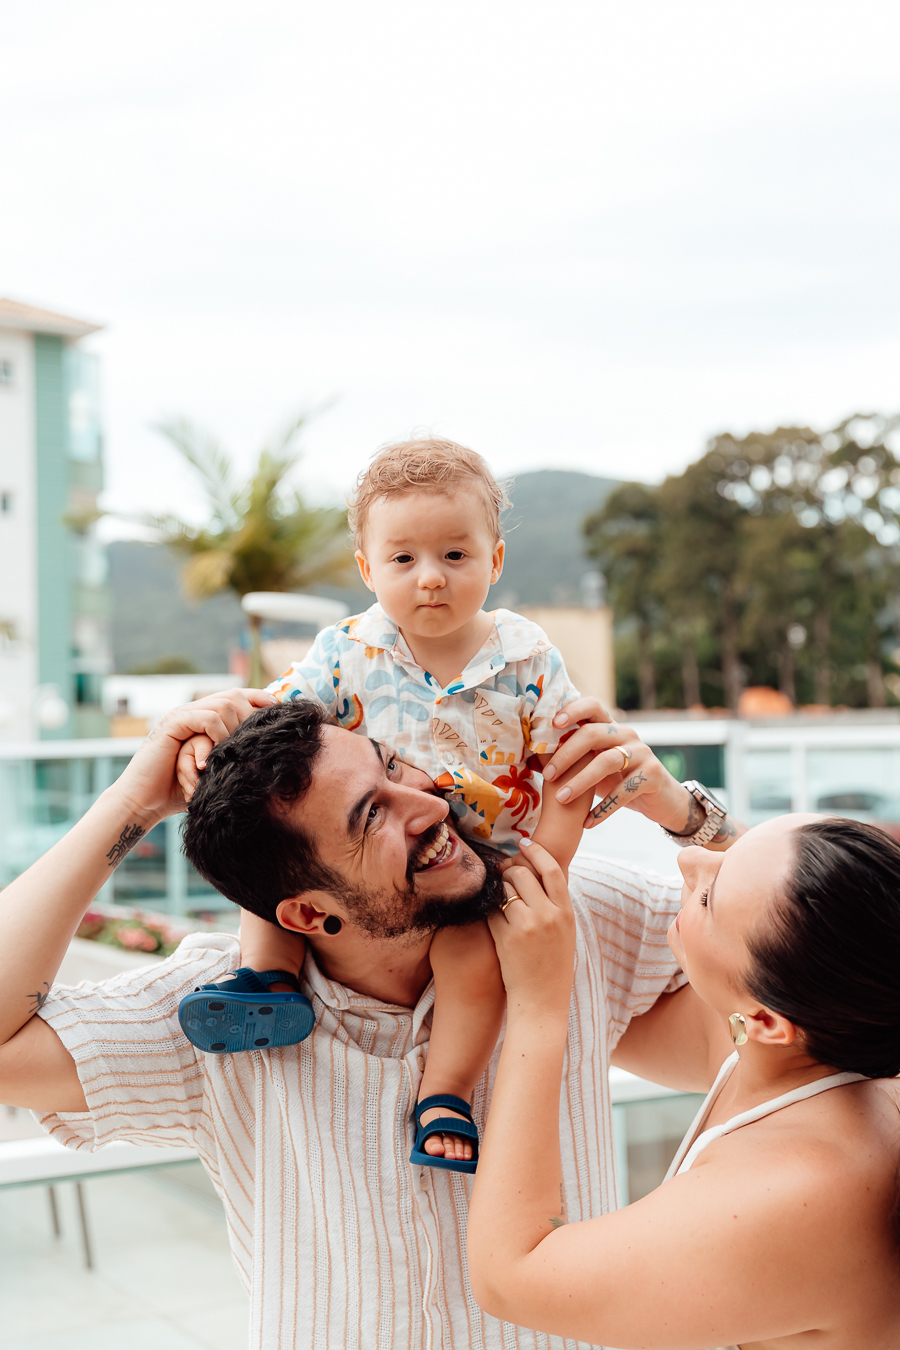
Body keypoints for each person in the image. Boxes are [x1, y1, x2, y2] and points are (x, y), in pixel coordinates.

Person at [0, 688, 736, 1350]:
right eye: (373, 815)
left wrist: (687, 816)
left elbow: (784, 1002)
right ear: (306, 913)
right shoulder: (222, 1019)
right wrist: (132, 803)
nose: (431, 805)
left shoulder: (564, 919)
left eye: (392, 765)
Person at [177, 437, 605, 1169]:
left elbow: (571, 765)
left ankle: (445, 1092)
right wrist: (206, 731)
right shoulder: (347, 651)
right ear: (368, 570)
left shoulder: (526, 658)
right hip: (376, 852)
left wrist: (541, 872)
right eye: (403, 559)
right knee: (284, 863)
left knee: (471, 961)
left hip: (480, 861)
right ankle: (268, 980)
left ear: (495, 560)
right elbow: (274, 725)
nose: (430, 577)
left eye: (455, 555)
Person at [466, 817, 900, 1350]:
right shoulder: (800, 1047)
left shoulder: (796, 1192)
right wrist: (690, 815)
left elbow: (509, 1277)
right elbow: (794, 930)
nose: (688, 859)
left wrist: (539, 1002)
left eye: (708, 899)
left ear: (766, 1021)